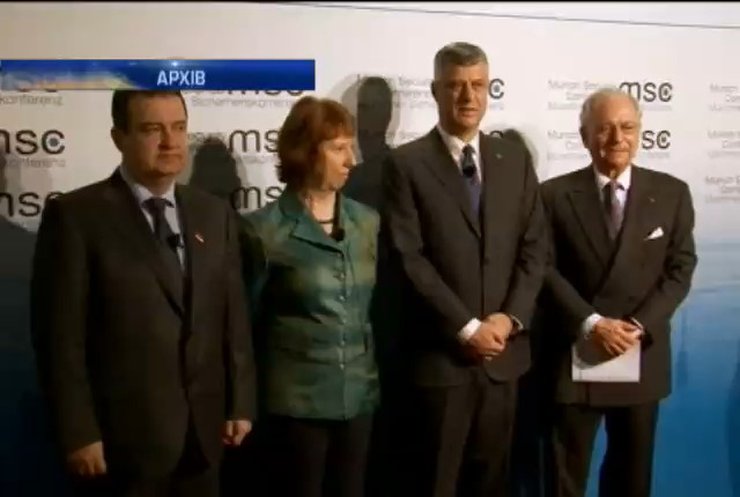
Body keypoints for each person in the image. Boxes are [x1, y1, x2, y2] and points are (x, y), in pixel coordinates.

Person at [30, 90, 256, 497]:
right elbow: (60, 341)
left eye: (179, 128)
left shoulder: (213, 213)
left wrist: (240, 403)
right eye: (153, 129)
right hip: (121, 446)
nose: (170, 142)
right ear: (119, 137)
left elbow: (232, 317)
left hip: (204, 438)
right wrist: (79, 432)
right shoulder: (77, 217)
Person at [381, 41, 548, 497]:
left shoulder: (513, 159)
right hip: (441, 363)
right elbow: (408, 258)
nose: (468, 96)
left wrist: (508, 319)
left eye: (477, 85)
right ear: (436, 91)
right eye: (456, 85)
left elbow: (535, 248)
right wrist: (467, 327)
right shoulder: (406, 164)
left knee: (492, 484)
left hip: (504, 360)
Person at [539, 87, 698, 497]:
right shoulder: (552, 196)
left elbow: (680, 269)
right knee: (564, 480)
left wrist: (636, 326)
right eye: (605, 128)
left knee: (632, 479)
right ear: (584, 136)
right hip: (574, 354)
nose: (617, 139)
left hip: (639, 351)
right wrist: (591, 323)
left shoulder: (672, 193)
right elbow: (542, 268)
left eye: (627, 127)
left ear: (640, 131)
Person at [240, 95, 380, 497]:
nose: (351, 160)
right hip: (296, 407)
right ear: (305, 152)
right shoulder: (263, 231)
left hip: (359, 399)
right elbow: (244, 326)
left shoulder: (368, 223)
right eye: (338, 148)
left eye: (351, 147)